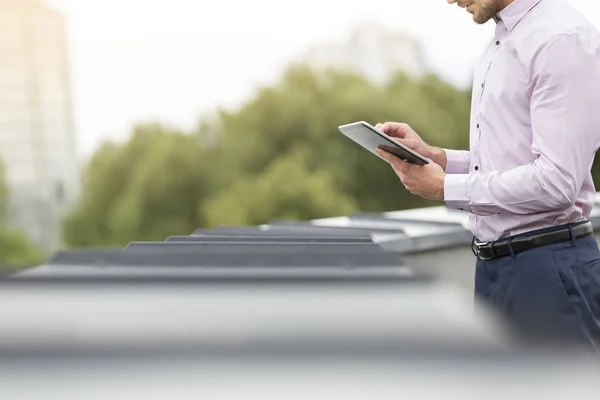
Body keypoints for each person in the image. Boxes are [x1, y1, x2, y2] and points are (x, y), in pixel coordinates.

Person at [375, 0, 600, 351]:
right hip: (494, 269)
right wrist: (439, 159)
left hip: (549, 272)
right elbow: (504, 164)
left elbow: (556, 181)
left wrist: (445, 188)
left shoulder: (560, 38)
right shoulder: (503, 39)